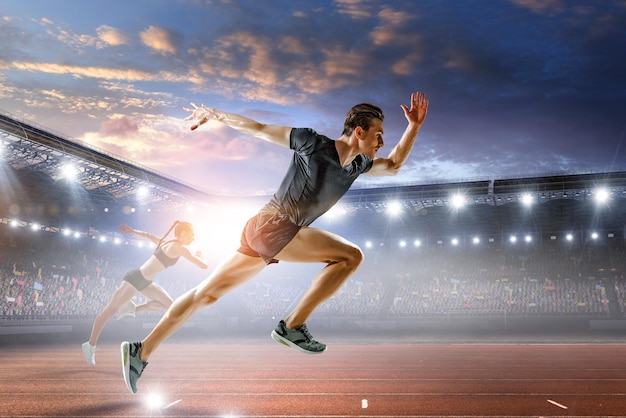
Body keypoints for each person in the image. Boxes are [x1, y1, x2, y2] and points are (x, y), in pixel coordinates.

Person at [121, 90, 429, 393]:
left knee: (205, 295)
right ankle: (292, 326)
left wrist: (413, 127)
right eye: (378, 134)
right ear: (359, 131)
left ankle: (141, 351)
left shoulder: (357, 166)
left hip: (273, 232)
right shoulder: (312, 143)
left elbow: (394, 165)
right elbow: (258, 128)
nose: (382, 142)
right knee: (351, 256)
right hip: (273, 226)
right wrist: (215, 114)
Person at [82, 221, 208, 366]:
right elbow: (203, 265)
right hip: (135, 279)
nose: (193, 239)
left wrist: (132, 231)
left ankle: (132, 308)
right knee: (109, 310)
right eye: (192, 235)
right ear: (184, 233)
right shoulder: (179, 248)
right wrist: (201, 255)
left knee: (169, 305)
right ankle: (90, 345)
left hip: (146, 282)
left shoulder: (166, 242)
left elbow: (148, 236)